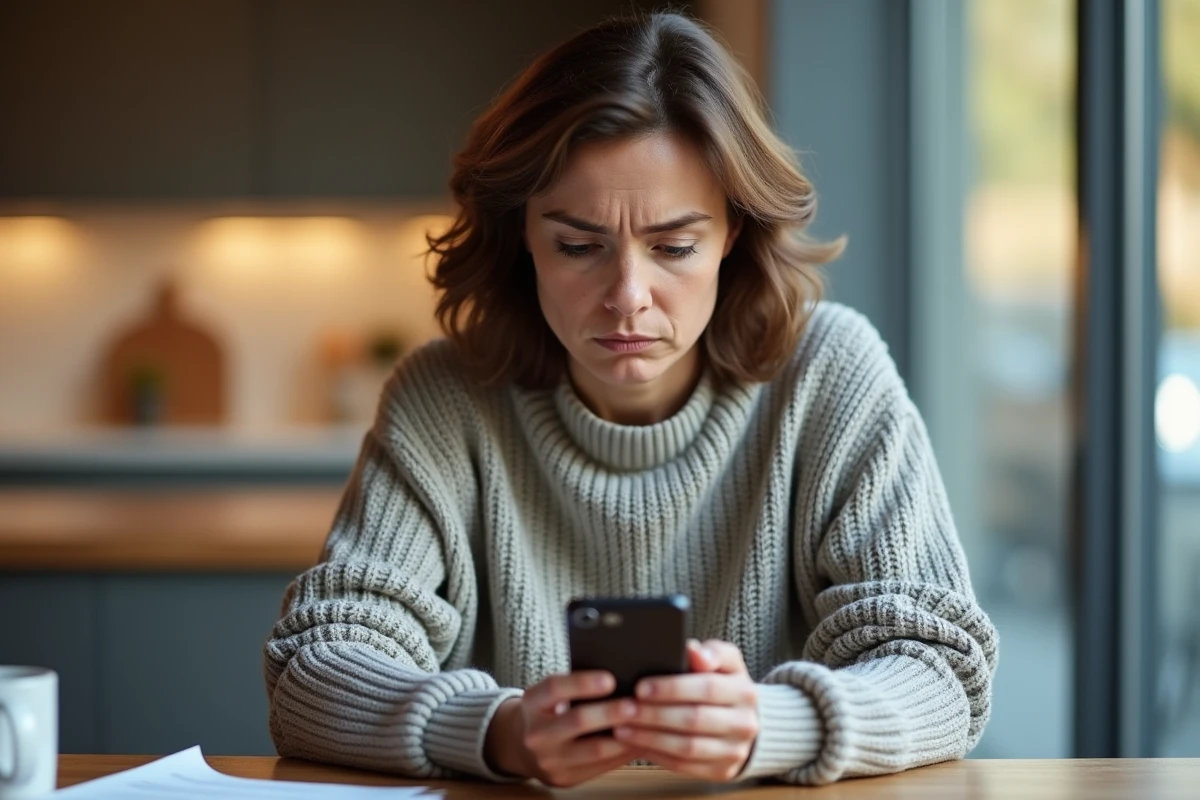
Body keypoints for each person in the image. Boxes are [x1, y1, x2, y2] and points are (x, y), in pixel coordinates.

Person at [263, 11, 997, 788]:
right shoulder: (447, 397)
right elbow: (312, 671)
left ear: (733, 236)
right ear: (523, 239)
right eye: (578, 246)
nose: (627, 298)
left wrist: (771, 725)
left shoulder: (829, 373)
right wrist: (498, 732)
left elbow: (942, 670)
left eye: (674, 247)